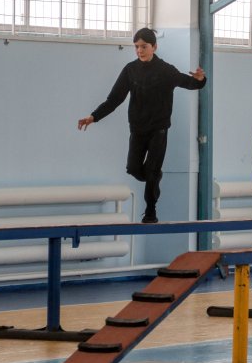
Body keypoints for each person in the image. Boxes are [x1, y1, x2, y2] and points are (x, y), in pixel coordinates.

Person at [77, 27, 206, 223]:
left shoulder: (166, 70)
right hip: (137, 129)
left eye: (144, 46)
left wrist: (200, 79)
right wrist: (93, 116)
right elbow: (114, 99)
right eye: (136, 47)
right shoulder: (130, 70)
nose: (139, 50)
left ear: (154, 47)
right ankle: (154, 177)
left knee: (152, 171)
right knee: (133, 169)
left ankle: (150, 212)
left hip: (158, 129)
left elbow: (189, 83)